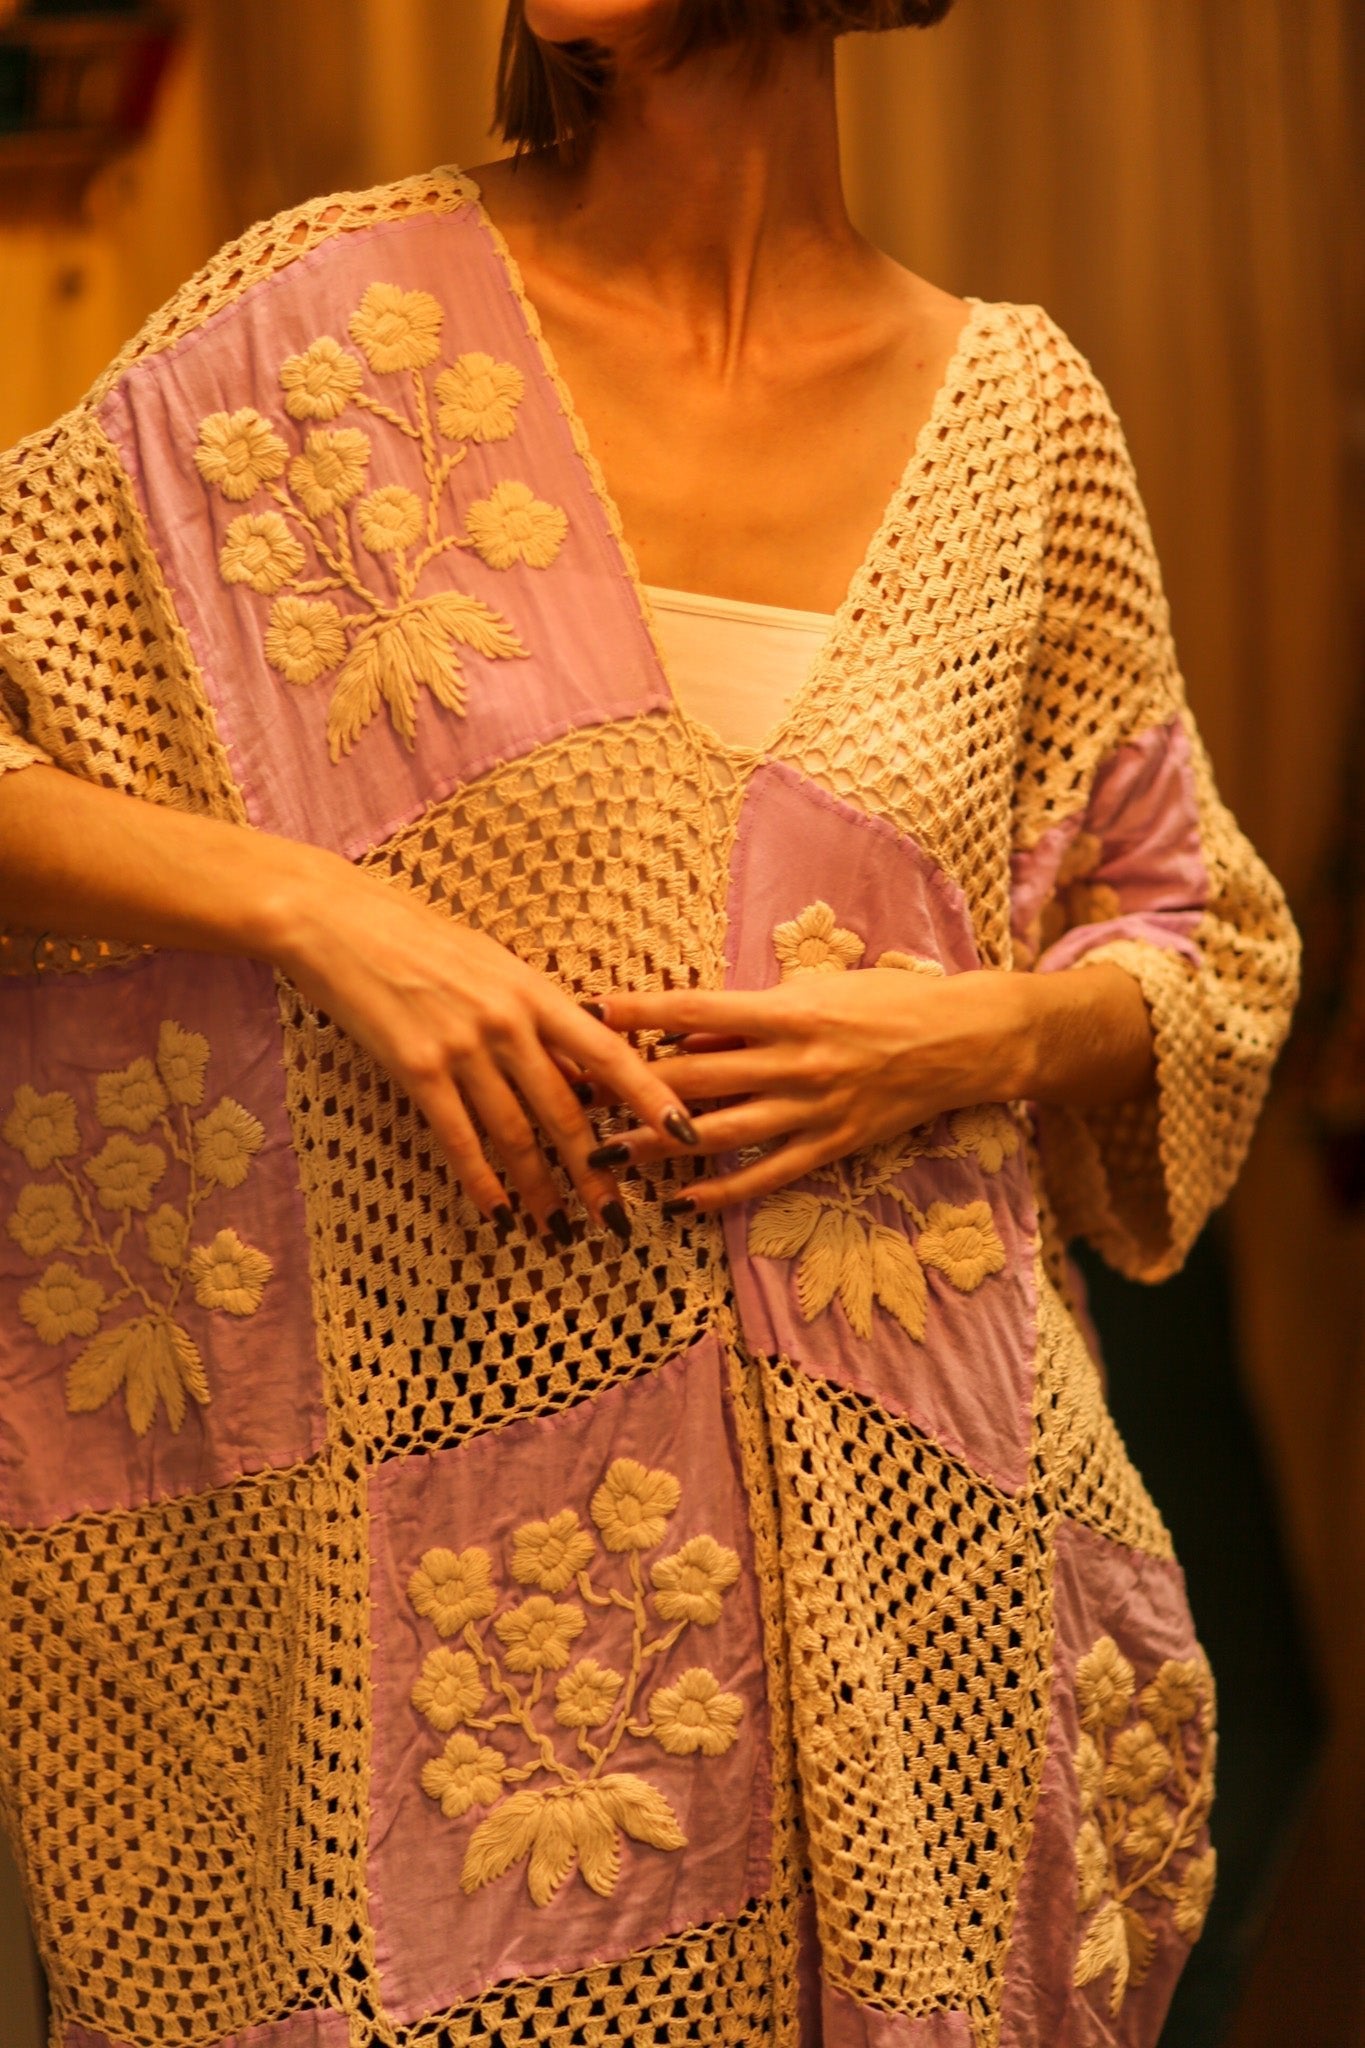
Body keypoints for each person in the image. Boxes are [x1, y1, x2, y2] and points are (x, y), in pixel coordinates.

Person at [0, 2, 1299, 2044]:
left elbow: (1196, 931)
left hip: (932, 1579)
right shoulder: (311, 334)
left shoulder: (1019, 416)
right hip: (461, 1655)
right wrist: (322, 911)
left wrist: (976, 1039)